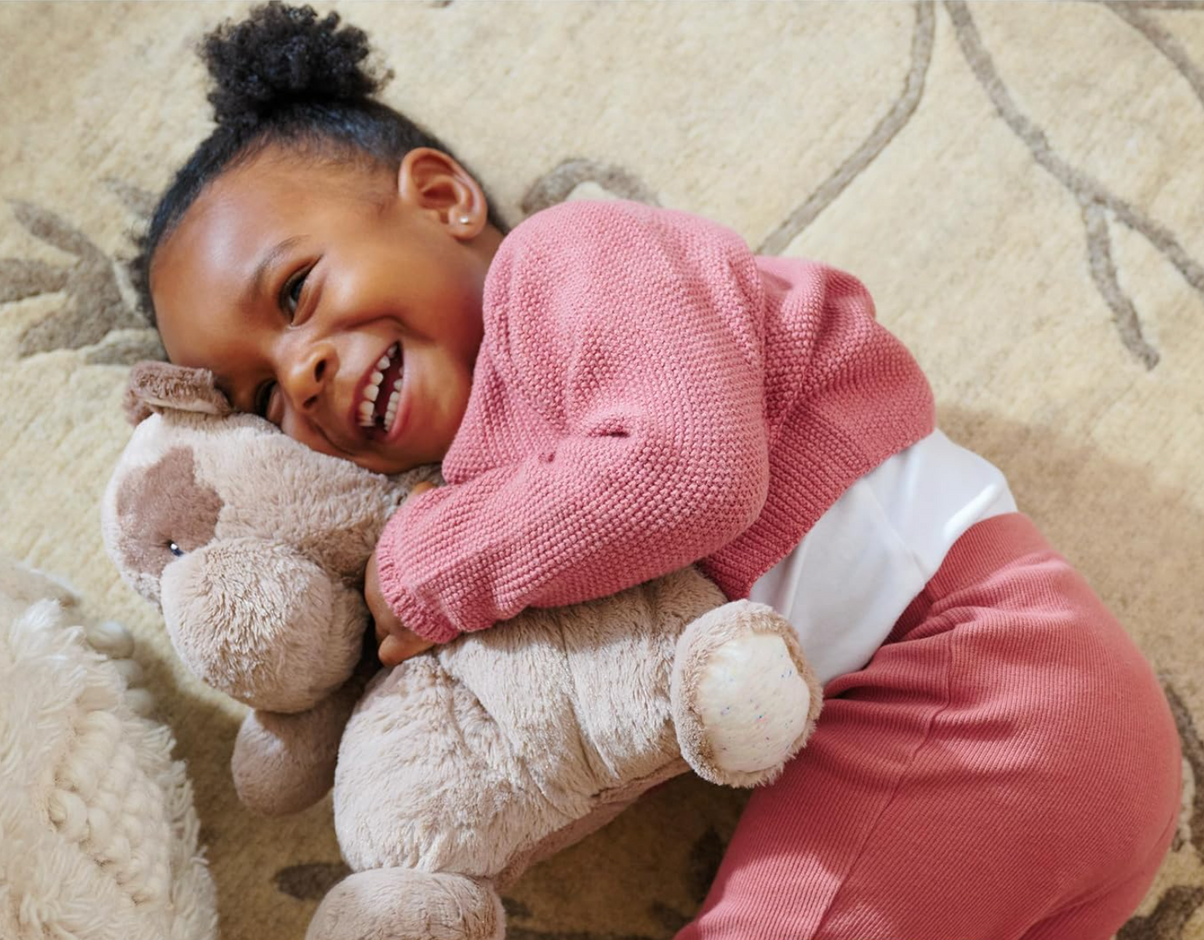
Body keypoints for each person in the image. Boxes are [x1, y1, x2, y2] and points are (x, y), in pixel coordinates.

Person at [133, 4, 1182, 938]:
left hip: (975, 677)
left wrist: (418, 570)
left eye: (296, 292)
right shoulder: (477, 494)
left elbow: (688, 473)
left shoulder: (568, 261)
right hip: (938, 751)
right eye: (260, 397)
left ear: (442, 197)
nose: (302, 375)